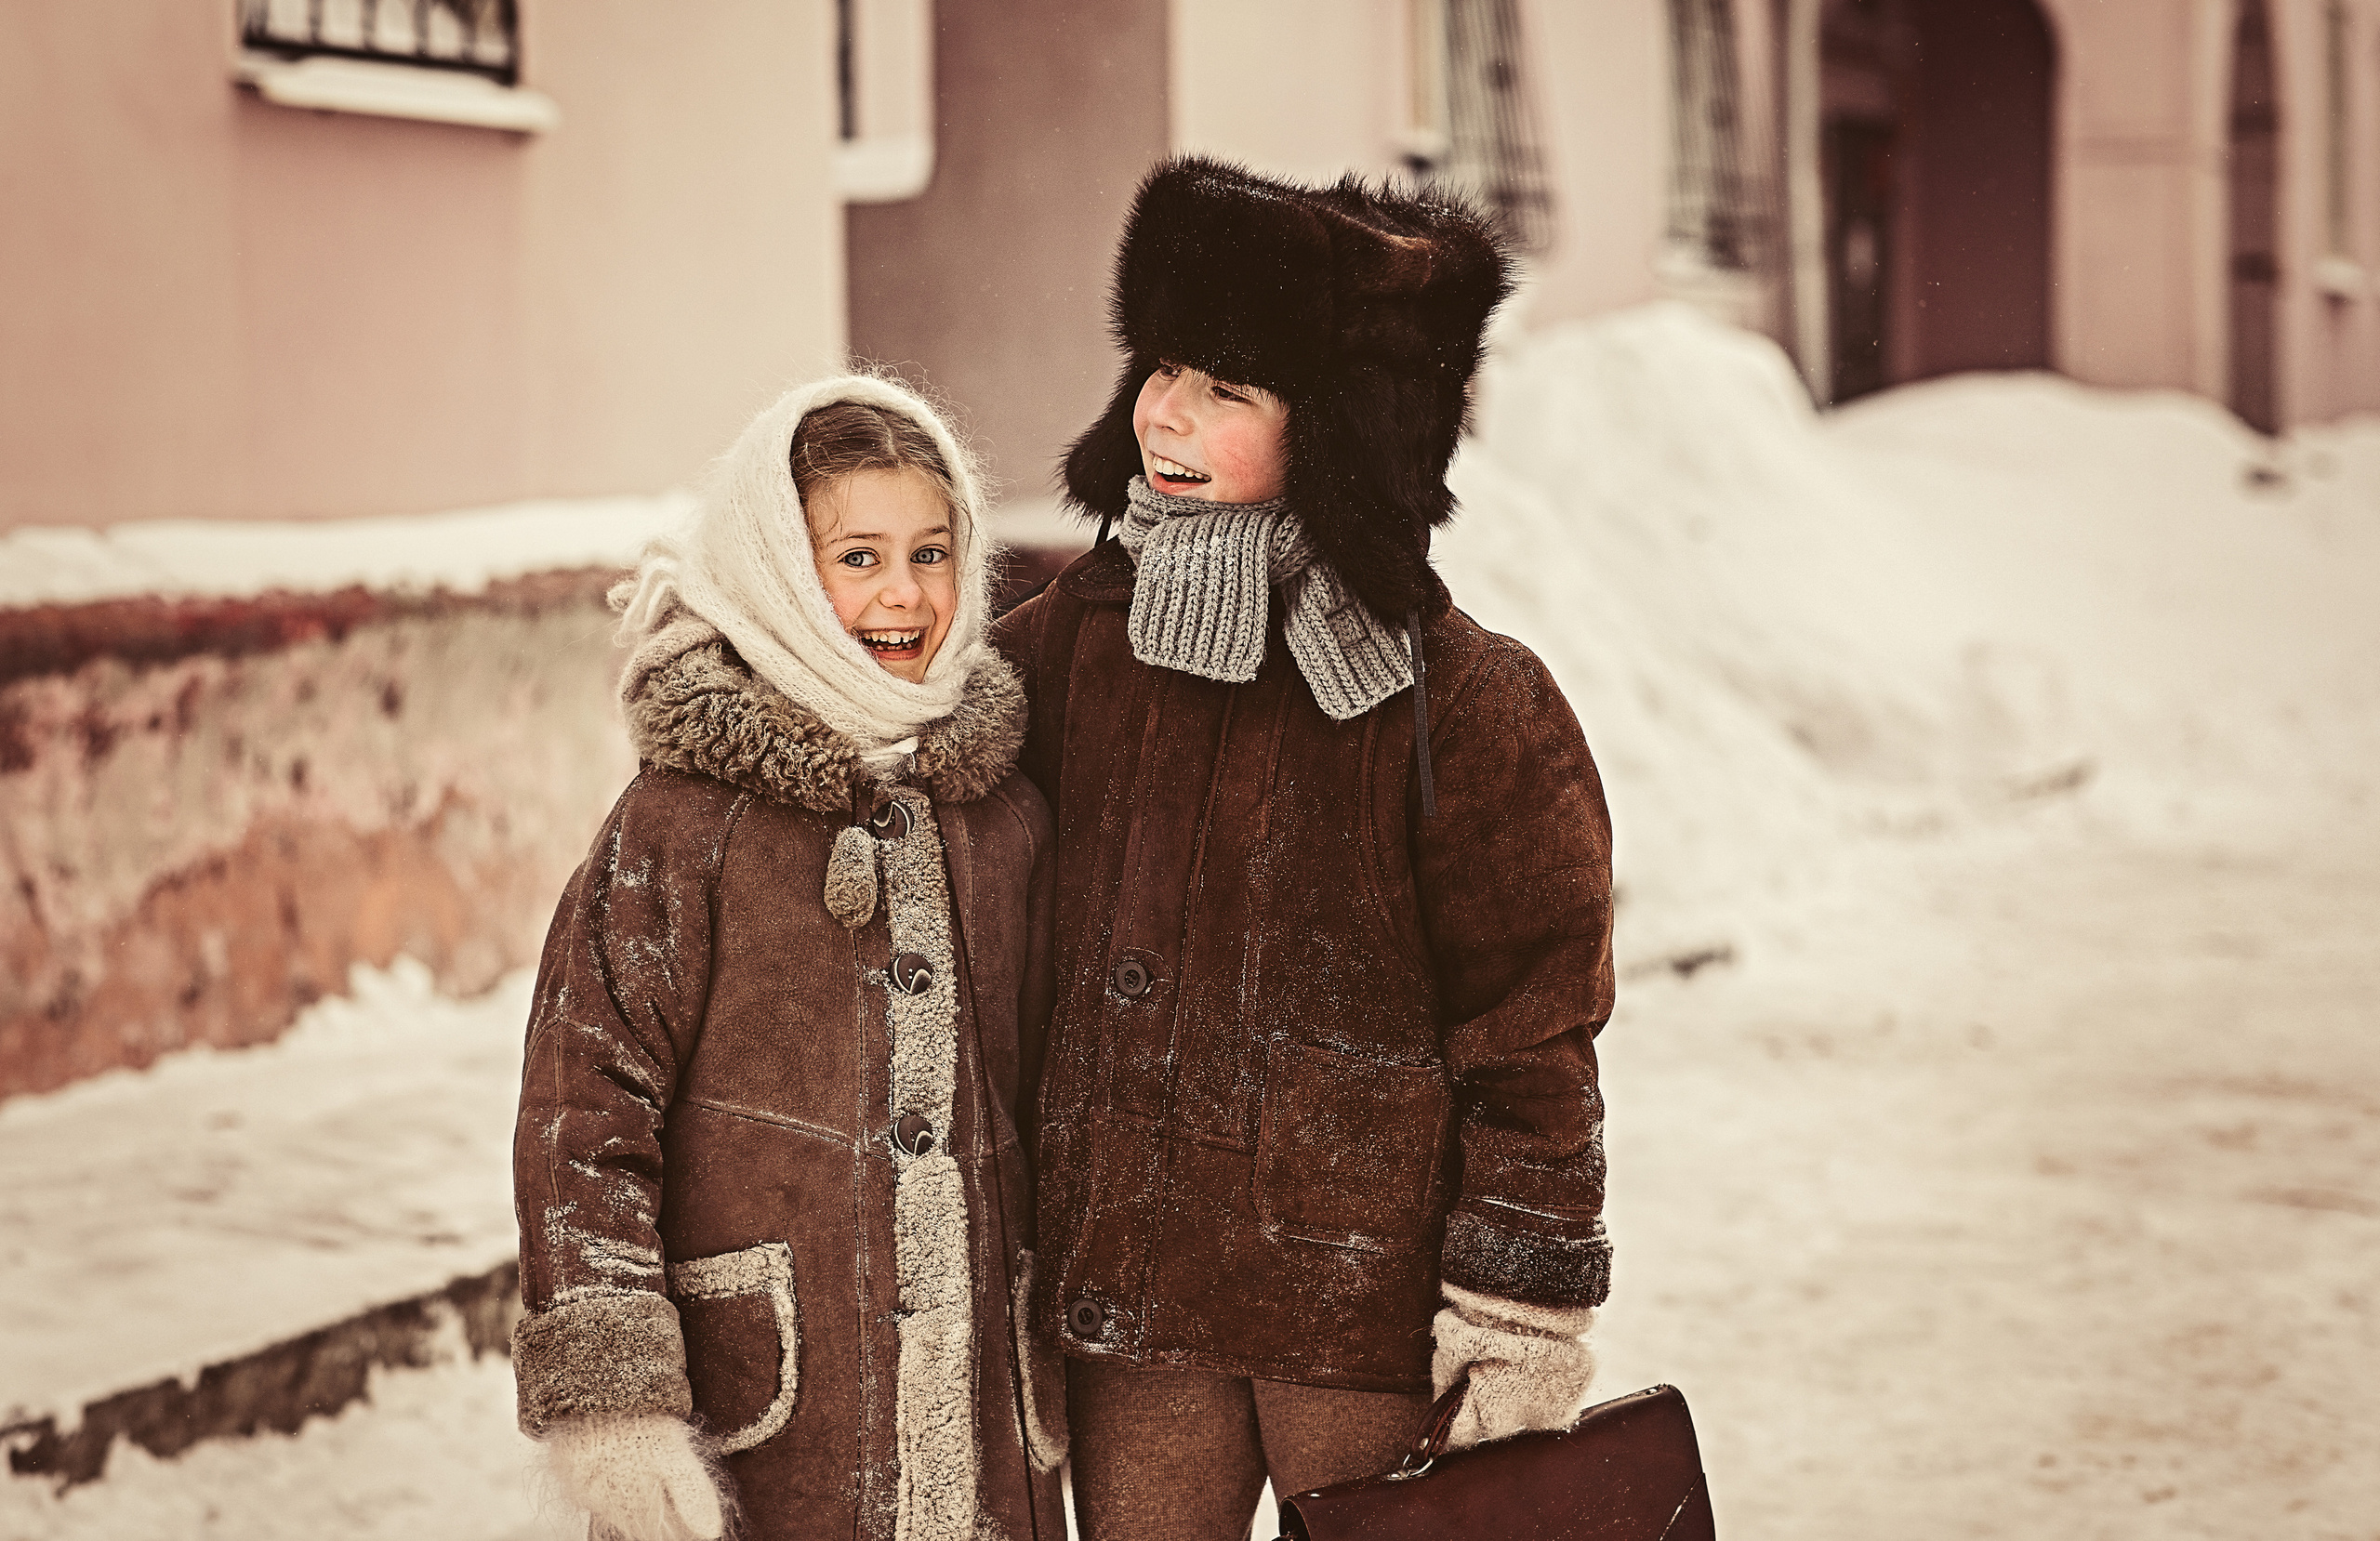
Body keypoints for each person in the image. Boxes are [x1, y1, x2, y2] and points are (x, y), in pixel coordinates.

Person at [991, 157, 1617, 1541]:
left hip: (1364, 1316)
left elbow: (1533, 1025)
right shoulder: (1057, 655)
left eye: (1230, 388)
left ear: (1339, 425)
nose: (1168, 412)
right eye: (1161, 366)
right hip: (1137, 1305)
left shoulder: (1469, 701)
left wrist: (1520, 1300)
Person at [510, 375, 1067, 1541]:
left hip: (988, 1419)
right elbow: (584, 1110)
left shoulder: (1004, 812)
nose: (904, 594)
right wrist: (615, 1401)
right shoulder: (681, 825)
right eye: (855, 556)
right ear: (771, 564)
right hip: (764, 1419)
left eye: (931, 550)